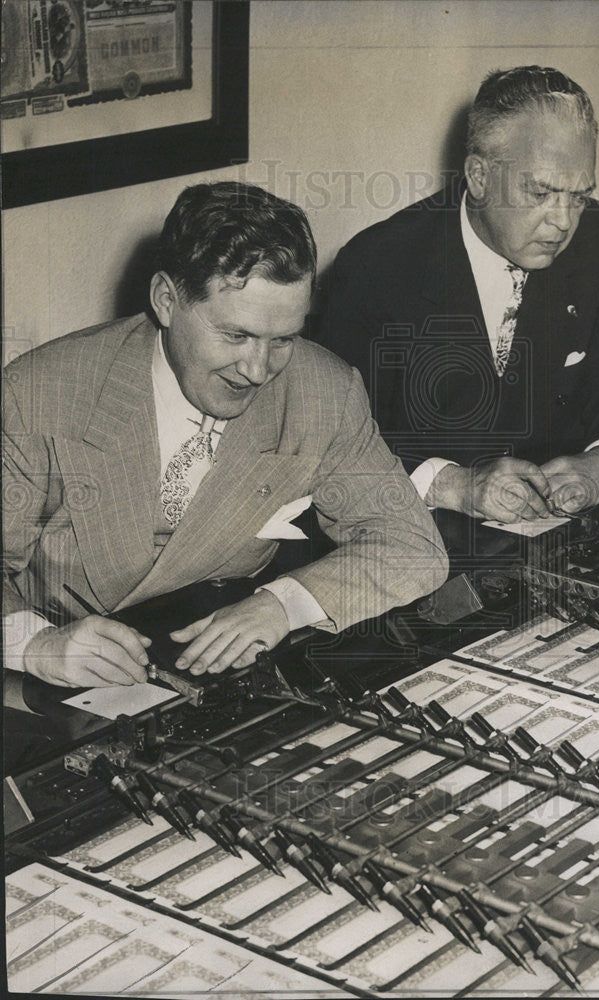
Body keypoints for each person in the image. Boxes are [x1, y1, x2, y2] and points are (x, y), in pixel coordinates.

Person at [2, 182, 448, 689]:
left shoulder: (323, 392)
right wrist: (34, 644)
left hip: (212, 679)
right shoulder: (41, 392)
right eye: (236, 336)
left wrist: (283, 604)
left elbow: (411, 545)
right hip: (50, 686)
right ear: (166, 300)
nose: (258, 371)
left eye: (283, 339)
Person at [324, 65, 599, 524]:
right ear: (480, 176)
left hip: (560, 535)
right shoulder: (377, 265)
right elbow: (328, 442)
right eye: (541, 192)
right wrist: (454, 486)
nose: (564, 222)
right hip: (419, 537)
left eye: (579, 196)